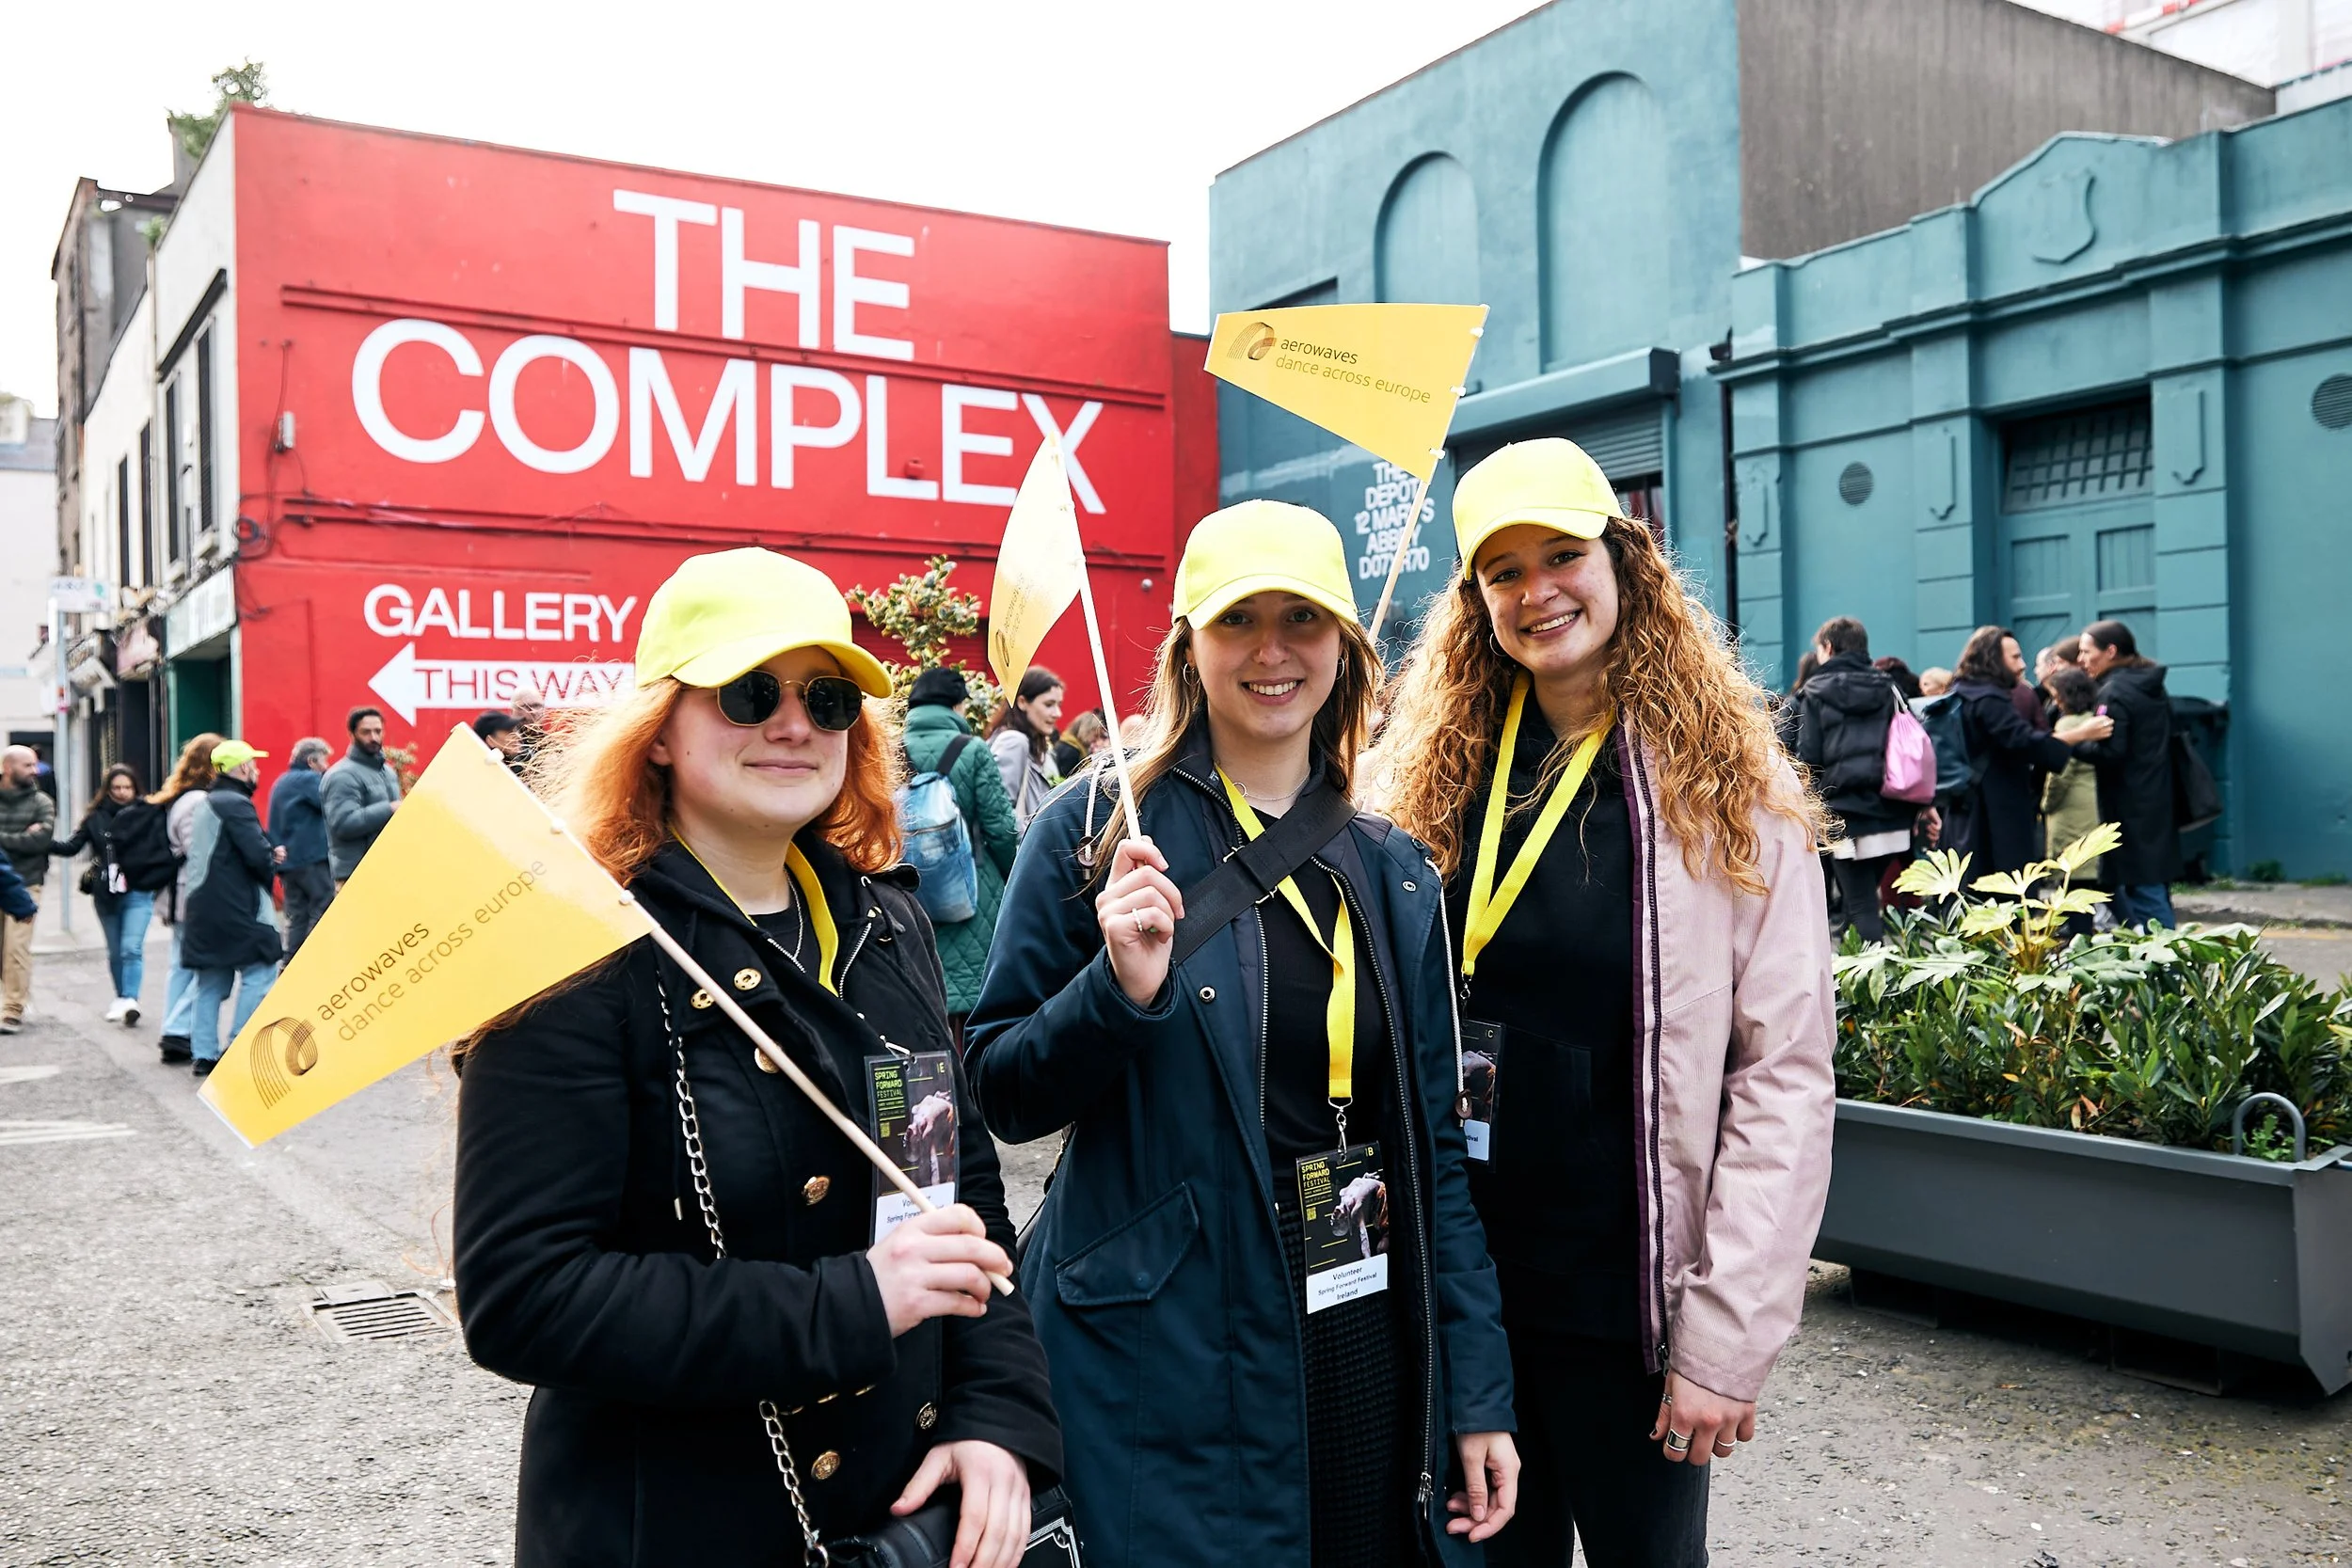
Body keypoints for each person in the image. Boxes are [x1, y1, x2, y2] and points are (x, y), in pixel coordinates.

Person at [453, 546, 1058, 1568]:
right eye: (746, 692)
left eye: (826, 698)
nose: (793, 724)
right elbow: (525, 1293)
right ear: (657, 733)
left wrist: (998, 1419)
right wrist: (852, 1303)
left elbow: (966, 1207)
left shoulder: (888, 923)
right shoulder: (578, 950)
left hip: (897, 1517)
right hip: (682, 1523)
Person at [970, 499, 1519, 1568]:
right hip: (1168, 1340)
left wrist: (1476, 1387)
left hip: (1355, 1314)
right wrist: (1117, 993)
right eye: (1238, 621)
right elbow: (1002, 1086)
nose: (1273, 651)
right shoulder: (1093, 831)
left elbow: (1436, 1155)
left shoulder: (1391, 864)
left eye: (1302, 620)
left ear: (1346, 650)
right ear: (1188, 644)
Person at [1375, 437, 1837, 1567]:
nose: (1537, 592)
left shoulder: (1731, 789)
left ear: (1623, 560)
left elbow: (1781, 1073)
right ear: (1473, 599)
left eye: (1561, 554)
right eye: (1501, 570)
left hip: (1631, 1309)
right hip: (1468, 1299)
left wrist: (1726, 1338)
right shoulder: (1425, 778)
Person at [1791, 619, 1937, 942]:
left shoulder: (1814, 692)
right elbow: (1915, 744)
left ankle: (1873, 987)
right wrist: (1926, 805)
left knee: (1860, 905)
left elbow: (1810, 756)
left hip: (1842, 813)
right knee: (1869, 897)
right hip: (1892, 811)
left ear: (1828, 647)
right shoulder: (1888, 686)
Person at [901, 667, 1021, 1043]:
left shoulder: (888, 749)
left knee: (922, 995)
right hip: (970, 889)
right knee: (972, 1005)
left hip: (904, 888)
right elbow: (1000, 828)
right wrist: (1013, 879)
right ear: (956, 704)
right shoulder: (971, 750)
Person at [1948, 626, 2109, 876]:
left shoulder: (1962, 692)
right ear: (1992, 658)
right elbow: (2025, 742)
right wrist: (2081, 734)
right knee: (2005, 888)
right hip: (1994, 812)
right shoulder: (1989, 700)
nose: (2022, 665)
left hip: (1967, 808)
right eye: (2014, 657)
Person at [180, 740, 287, 1077]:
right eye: (253, 765)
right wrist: (271, 856)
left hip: (202, 907)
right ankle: (238, 1045)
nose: (256, 770)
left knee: (210, 982)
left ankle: (203, 1054)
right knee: (261, 971)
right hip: (237, 907)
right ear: (242, 768)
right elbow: (255, 855)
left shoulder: (208, 802)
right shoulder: (236, 803)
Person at [50, 765, 176, 1026]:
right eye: (116, 787)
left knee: (131, 948)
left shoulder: (148, 813)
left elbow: (163, 848)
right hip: (106, 893)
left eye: (127, 787)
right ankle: (120, 998)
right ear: (107, 790)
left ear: (135, 788)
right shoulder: (96, 817)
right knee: (116, 951)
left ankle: (130, 999)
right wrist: (39, 841)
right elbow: (72, 847)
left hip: (138, 890)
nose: (121, 792)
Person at [2074, 619, 2180, 927]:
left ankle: (2166, 966)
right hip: (2156, 798)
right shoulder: (2149, 685)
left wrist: (2073, 742)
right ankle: (2165, 962)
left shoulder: (2114, 692)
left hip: (2128, 805)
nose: (2081, 660)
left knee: (2143, 890)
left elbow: (2111, 751)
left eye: (2086, 651)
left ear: (2110, 651)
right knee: (2151, 886)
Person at [151, 735, 224, 1063]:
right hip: (191, 895)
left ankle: (176, 1028)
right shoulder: (197, 802)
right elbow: (200, 854)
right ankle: (178, 1029)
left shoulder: (182, 797)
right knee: (203, 966)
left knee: (181, 965)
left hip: (180, 893)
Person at [2041, 666, 2106, 936]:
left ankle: (2079, 944)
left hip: (2069, 813)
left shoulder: (2067, 726)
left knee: (2071, 885)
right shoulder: (2095, 720)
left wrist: (2046, 805)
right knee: (2088, 886)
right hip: (2093, 807)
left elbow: (2059, 776)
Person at [0, 744, 56, 1033]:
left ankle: (12, 1009)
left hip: (26, 883)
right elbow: (26, 841)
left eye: (35, 765)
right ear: (8, 768)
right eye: (27, 766)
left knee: (16, 947)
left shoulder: (42, 802)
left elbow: (40, 841)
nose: (35, 771)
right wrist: (19, 836)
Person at [268, 737, 336, 962]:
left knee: (297, 915)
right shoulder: (309, 779)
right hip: (311, 859)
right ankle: (313, 961)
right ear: (311, 761)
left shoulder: (282, 781)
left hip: (288, 862)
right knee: (322, 905)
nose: (326, 767)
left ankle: (290, 964)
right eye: (324, 762)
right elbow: (330, 802)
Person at [323, 705, 403, 885]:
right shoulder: (341, 775)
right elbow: (343, 824)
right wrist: (388, 809)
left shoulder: (388, 772)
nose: (373, 737)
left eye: (378, 731)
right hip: (355, 876)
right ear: (352, 735)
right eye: (366, 732)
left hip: (386, 871)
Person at [987, 667, 1064, 831]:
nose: (1057, 713)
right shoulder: (1014, 741)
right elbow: (998, 811)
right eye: (1049, 704)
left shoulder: (1038, 747)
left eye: (1058, 704)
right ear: (1022, 702)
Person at [473, 710, 526, 774]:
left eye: (516, 730)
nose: (518, 737)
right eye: (509, 732)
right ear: (491, 741)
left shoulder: (525, 764)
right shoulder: (478, 774)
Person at [1056, 710, 1106, 777]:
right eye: (1095, 735)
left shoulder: (1067, 743)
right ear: (1086, 731)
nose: (1096, 740)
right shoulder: (1072, 752)